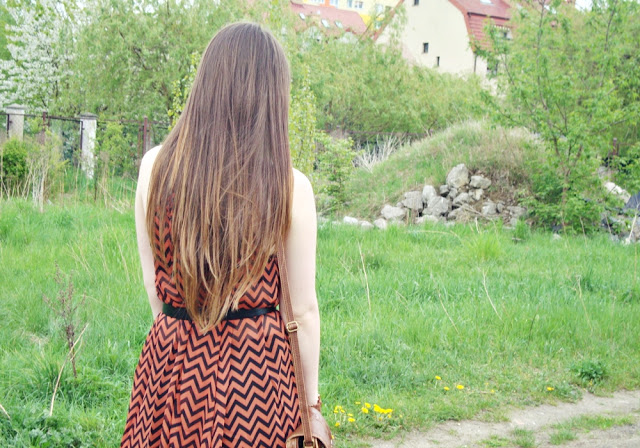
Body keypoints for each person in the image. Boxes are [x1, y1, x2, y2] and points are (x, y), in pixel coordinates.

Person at [120, 22, 320, 448]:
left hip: (170, 367)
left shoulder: (154, 168)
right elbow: (302, 312)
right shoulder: (289, 186)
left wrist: (182, 339)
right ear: (271, 97)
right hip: (259, 379)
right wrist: (311, 401)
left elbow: (154, 287)